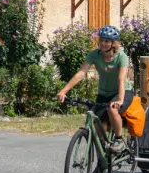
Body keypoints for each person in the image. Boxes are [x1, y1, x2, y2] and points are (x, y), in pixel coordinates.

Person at [56, 25, 134, 153]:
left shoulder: (121, 57)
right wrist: (64, 90)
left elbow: (121, 79)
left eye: (107, 41)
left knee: (112, 109)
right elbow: (82, 73)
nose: (103, 43)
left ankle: (119, 140)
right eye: (101, 40)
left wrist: (119, 100)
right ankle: (103, 159)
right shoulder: (94, 55)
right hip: (104, 93)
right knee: (98, 127)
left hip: (123, 92)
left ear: (113, 43)